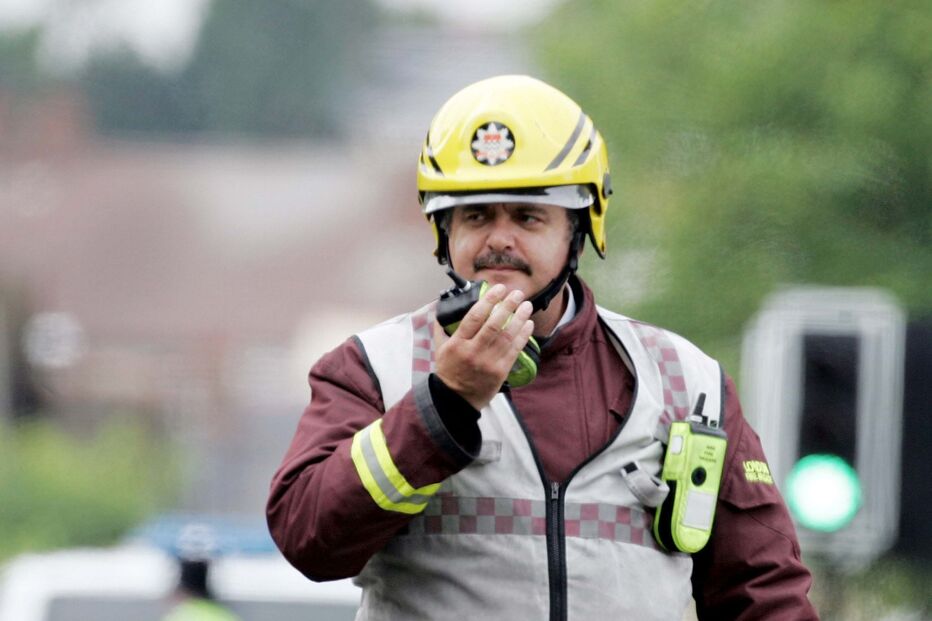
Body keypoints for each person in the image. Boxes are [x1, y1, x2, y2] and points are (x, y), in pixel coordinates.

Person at [267, 75, 818, 620]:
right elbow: (308, 539)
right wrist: (444, 404)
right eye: (476, 215)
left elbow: (764, 596)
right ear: (444, 233)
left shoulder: (686, 381)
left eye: (528, 216)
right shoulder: (372, 369)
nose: (499, 238)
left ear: (579, 230)